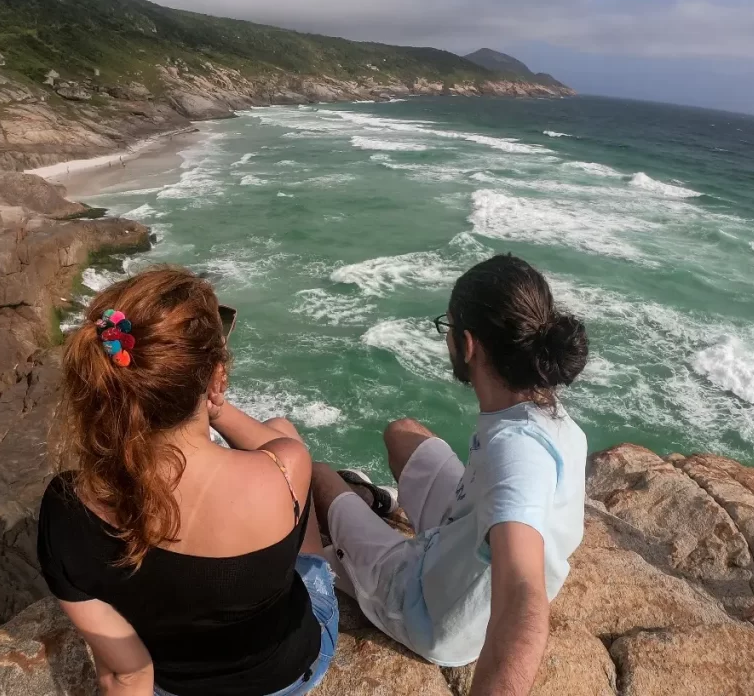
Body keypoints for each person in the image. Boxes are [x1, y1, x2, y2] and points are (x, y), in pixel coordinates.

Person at [38, 267, 338, 696]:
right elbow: (284, 446)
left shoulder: (67, 506)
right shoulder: (284, 468)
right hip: (284, 677)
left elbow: (127, 674)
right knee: (285, 444)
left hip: (173, 685)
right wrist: (218, 409)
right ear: (217, 377)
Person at [312, 254, 589, 696]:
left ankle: (344, 539)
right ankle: (376, 503)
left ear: (468, 344)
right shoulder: (546, 415)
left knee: (320, 478)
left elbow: (522, 597)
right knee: (403, 434)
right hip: (460, 543)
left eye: (448, 329)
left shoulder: (516, 454)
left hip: (432, 612)